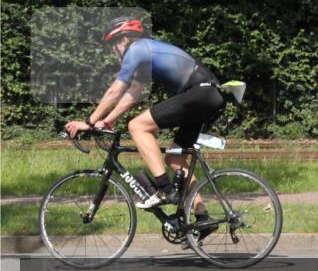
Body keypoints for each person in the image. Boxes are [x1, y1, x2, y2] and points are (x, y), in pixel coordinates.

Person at [64, 17, 226, 218]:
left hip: (200, 93)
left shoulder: (137, 49)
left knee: (137, 126)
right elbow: (132, 95)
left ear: (124, 40)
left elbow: (116, 91)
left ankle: (164, 190)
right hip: (208, 96)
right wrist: (108, 121)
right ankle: (203, 217)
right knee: (175, 158)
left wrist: (88, 123)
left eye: (112, 45)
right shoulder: (145, 55)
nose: (113, 51)